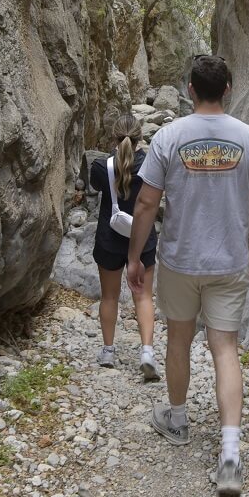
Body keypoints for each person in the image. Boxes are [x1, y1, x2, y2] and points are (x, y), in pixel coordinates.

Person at [126, 55, 249, 497]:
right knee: (225, 347)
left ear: (189, 88)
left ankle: (176, 417)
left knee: (178, 339)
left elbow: (147, 204)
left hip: (179, 262)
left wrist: (135, 257)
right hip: (229, 262)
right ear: (227, 88)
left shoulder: (169, 137)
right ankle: (230, 453)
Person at [89, 113, 161, 381]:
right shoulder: (151, 166)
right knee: (143, 296)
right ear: (141, 138)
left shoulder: (100, 166)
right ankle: (146, 353)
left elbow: (97, 188)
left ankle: (108, 351)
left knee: (109, 297)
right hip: (142, 241)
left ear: (113, 137)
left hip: (109, 238)